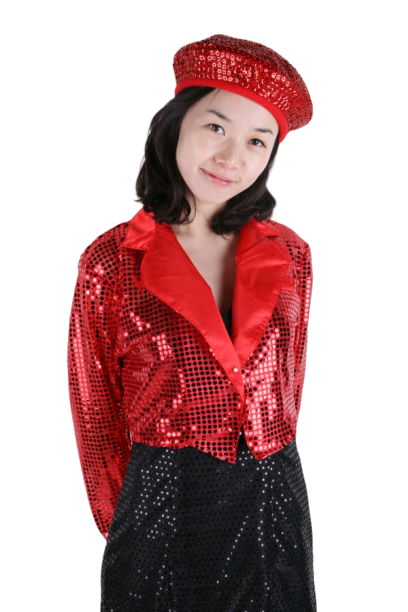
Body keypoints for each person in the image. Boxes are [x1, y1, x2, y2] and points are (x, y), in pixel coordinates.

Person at [67, 33, 317, 612]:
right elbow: (94, 411)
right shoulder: (111, 260)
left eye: (256, 140)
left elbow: (289, 385)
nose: (232, 158)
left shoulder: (293, 254)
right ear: (174, 124)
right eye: (215, 126)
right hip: (162, 501)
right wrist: (125, 520)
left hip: (274, 503)